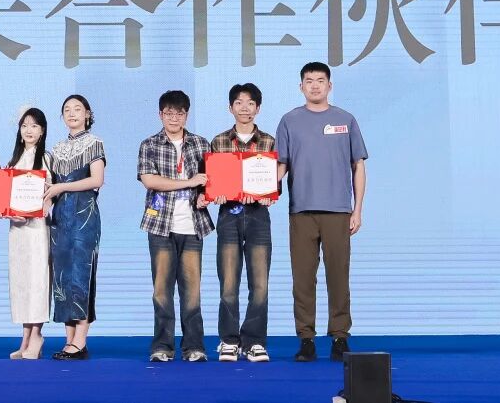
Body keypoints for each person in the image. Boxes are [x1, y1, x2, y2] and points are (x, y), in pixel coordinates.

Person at [276, 62, 368, 362]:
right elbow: (281, 165)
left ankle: (340, 337)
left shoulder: (346, 119)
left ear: (329, 85)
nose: (314, 85)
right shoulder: (289, 121)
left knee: (338, 276)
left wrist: (357, 209)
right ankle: (306, 338)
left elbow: (358, 166)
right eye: (309, 80)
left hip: (338, 211)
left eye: (320, 80)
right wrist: (259, 188)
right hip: (301, 211)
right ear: (301, 86)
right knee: (303, 279)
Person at [137, 90, 213, 363]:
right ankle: (162, 346)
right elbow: (150, 180)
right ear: (160, 114)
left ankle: (194, 346)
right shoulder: (149, 144)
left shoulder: (201, 144)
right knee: (161, 291)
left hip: (193, 226)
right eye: (169, 113)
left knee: (192, 292)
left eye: (179, 113)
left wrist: (205, 195)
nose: (174, 118)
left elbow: (211, 182)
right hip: (160, 226)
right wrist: (189, 182)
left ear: (186, 115)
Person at [207, 83, 276, 363]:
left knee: (260, 283)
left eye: (250, 103)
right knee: (228, 282)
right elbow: (213, 181)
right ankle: (229, 340)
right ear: (230, 108)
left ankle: (255, 341)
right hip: (229, 215)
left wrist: (270, 194)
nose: (244, 108)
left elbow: (273, 179)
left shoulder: (268, 141)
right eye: (239, 103)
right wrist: (216, 193)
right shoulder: (219, 141)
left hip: (259, 215)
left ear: (257, 108)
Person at [44, 95, 104, 360]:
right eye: (67, 110)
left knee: (82, 274)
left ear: (87, 114)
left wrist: (61, 187)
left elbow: (96, 180)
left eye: (77, 109)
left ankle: (80, 340)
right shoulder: (56, 149)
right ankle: (70, 340)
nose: (72, 113)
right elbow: (49, 187)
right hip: (60, 219)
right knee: (63, 277)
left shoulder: (95, 143)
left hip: (84, 216)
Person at [6, 107, 53, 360]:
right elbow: (5, 198)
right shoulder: (13, 161)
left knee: (38, 281)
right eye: (24, 125)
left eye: (34, 125)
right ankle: (24, 338)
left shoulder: (46, 158)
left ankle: (37, 335)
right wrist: (8, 212)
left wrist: (43, 207)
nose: (29, 130)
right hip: (17, 230)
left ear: (42, 130)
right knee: (22, 281)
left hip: (37, 229)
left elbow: (50, 195)